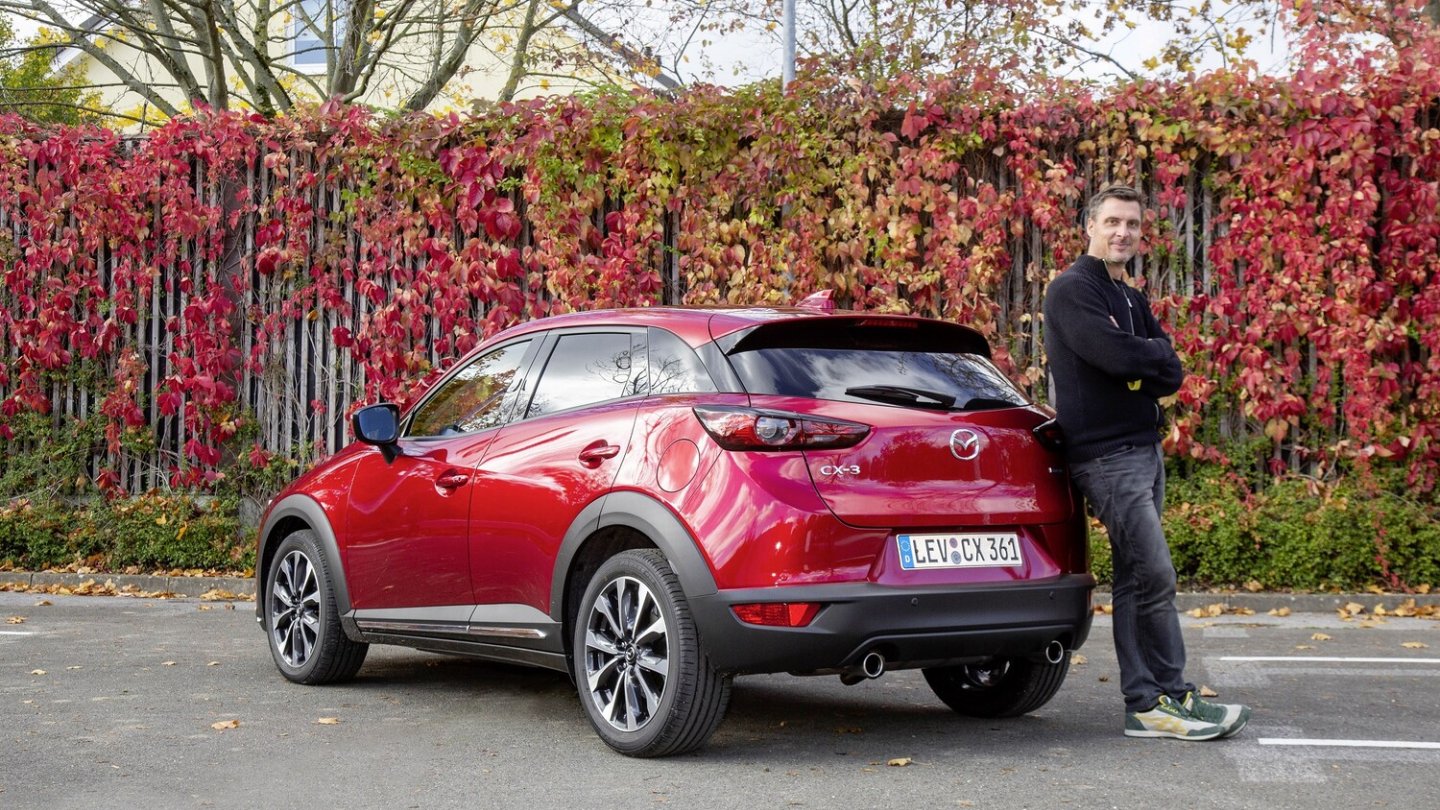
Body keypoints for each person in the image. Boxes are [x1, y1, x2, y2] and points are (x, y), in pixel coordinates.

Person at [1042, 184, 1252, 740]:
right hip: (1107, 456)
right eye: (1113, 222)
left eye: (1132, 224)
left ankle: (1164, 698)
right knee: (1152, 574)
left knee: (1140, 578)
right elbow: (1117, 357)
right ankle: (1154, 700)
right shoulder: (1072, 290)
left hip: (1143, 449)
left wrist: (1148, 358)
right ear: (1090, 226)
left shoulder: (1131, 298)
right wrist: (1146, 356)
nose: (1123, 233)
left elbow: (1169, 370)